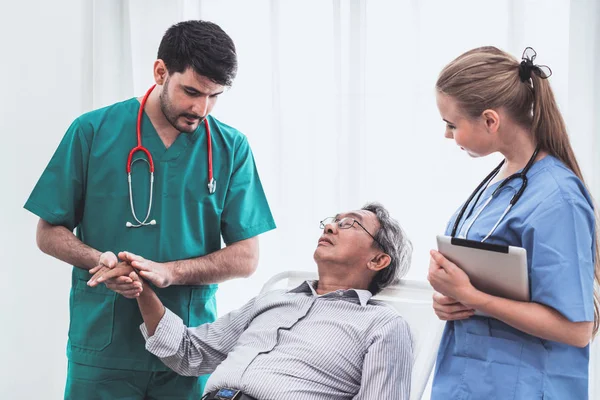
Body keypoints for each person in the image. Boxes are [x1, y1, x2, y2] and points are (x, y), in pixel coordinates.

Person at [24, 20, 276, 399]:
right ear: (161, 72)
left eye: (214, 96)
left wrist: (169, 273)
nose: (200, 108)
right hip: (104, 345)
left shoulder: (230, 148)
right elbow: (48, 232)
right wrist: (100, 261)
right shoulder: (93, 132)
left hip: (187, 346)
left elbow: (246, 257)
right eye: (191, 91)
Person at [94, 203, 413, 399]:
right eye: (332, 220)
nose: (330, 226)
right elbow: (188, 353)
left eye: (349, 224)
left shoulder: (382, 325)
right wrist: (140, 288)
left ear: (378, 261)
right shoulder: (271, 302)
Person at [427, 46, 599, 399]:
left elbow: (577, 329)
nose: (447, 135)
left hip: (526, 386)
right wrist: (452, 300)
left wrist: (471, 296)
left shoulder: (557, 198)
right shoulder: (502, 180)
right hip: (470, 378)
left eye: (452, 124)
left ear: (490, 120)